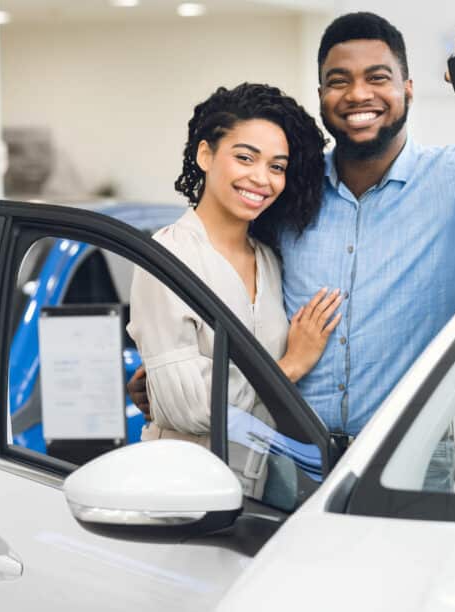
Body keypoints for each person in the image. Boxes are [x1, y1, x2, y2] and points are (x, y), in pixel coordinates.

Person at [132, 12, 455, 491]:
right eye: (339, 81)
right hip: (288, 454)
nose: (357, 94)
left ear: (408, 88)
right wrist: (177, 373)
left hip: (407, 455)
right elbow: (235, 288)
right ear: (321, 98)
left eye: (378, 78)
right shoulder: (292, 190)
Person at [126, 83, 342, 500]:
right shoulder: (170, 256)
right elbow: (191, 409)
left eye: (277, 167)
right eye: (245, 158)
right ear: (205, 155)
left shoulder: (268, 259)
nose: (261, 178)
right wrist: (291, 366)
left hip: (256, 493)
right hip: (180, 492)